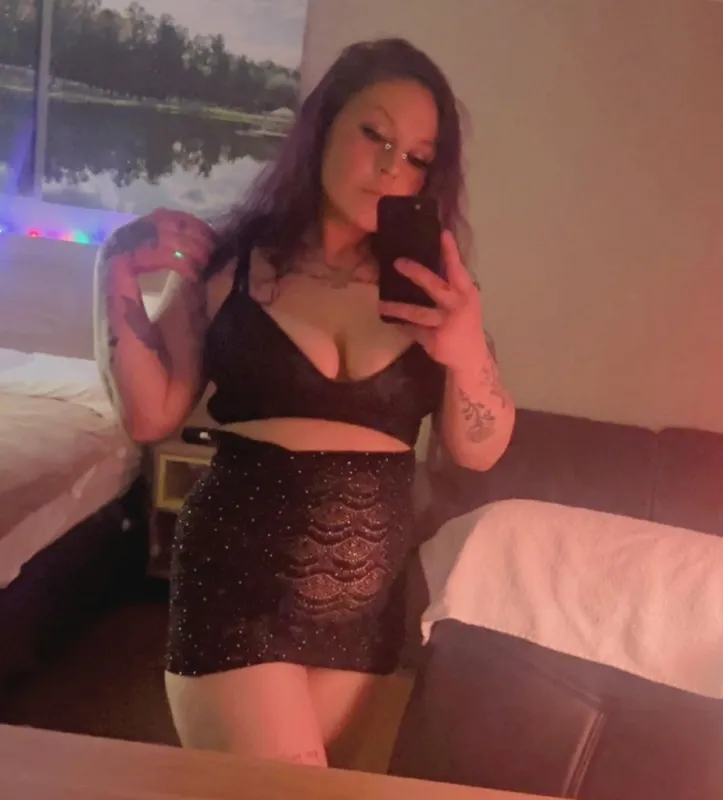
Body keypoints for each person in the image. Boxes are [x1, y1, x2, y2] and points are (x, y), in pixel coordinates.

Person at [93, 37, 515, 766]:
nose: (392, 165)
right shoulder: (233, 265)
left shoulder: (436, 291)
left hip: (366, 613)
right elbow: (151, 413)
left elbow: (480, 449)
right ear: (323, 125)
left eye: (417, 157)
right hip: (237, 583)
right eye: (375, 134)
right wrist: (112, 271)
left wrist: (467, 350)